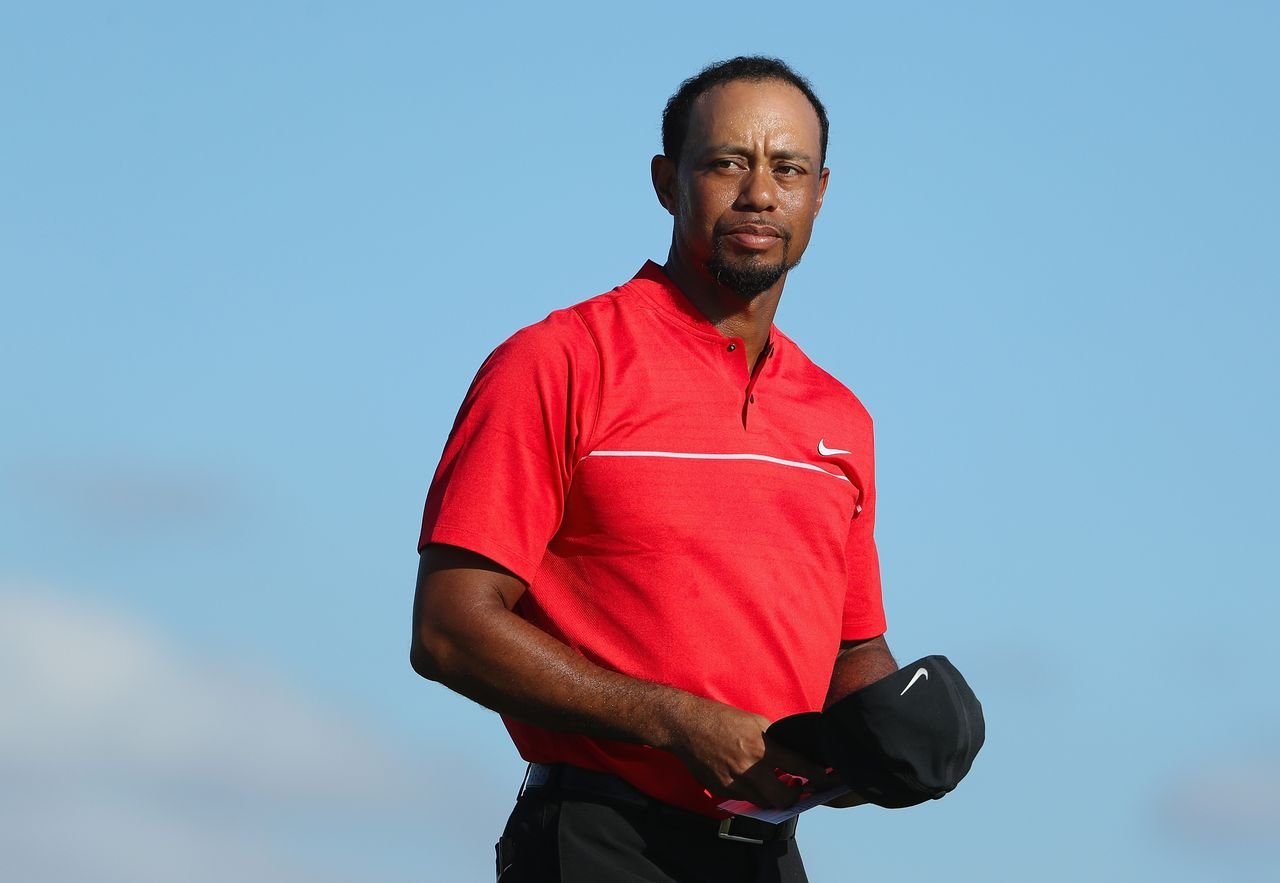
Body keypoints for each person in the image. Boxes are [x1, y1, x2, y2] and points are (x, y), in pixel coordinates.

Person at [411, 56, 899, 882]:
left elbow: (855, 655)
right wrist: (674, 719)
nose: (758, 192)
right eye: (725, 162)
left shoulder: (840, 419)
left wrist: (897, 732)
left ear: (819, 194)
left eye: (788, 168)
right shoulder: (558, 361)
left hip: (770, 856)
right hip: (600, 842)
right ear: (667, 182)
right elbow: (448, 627)